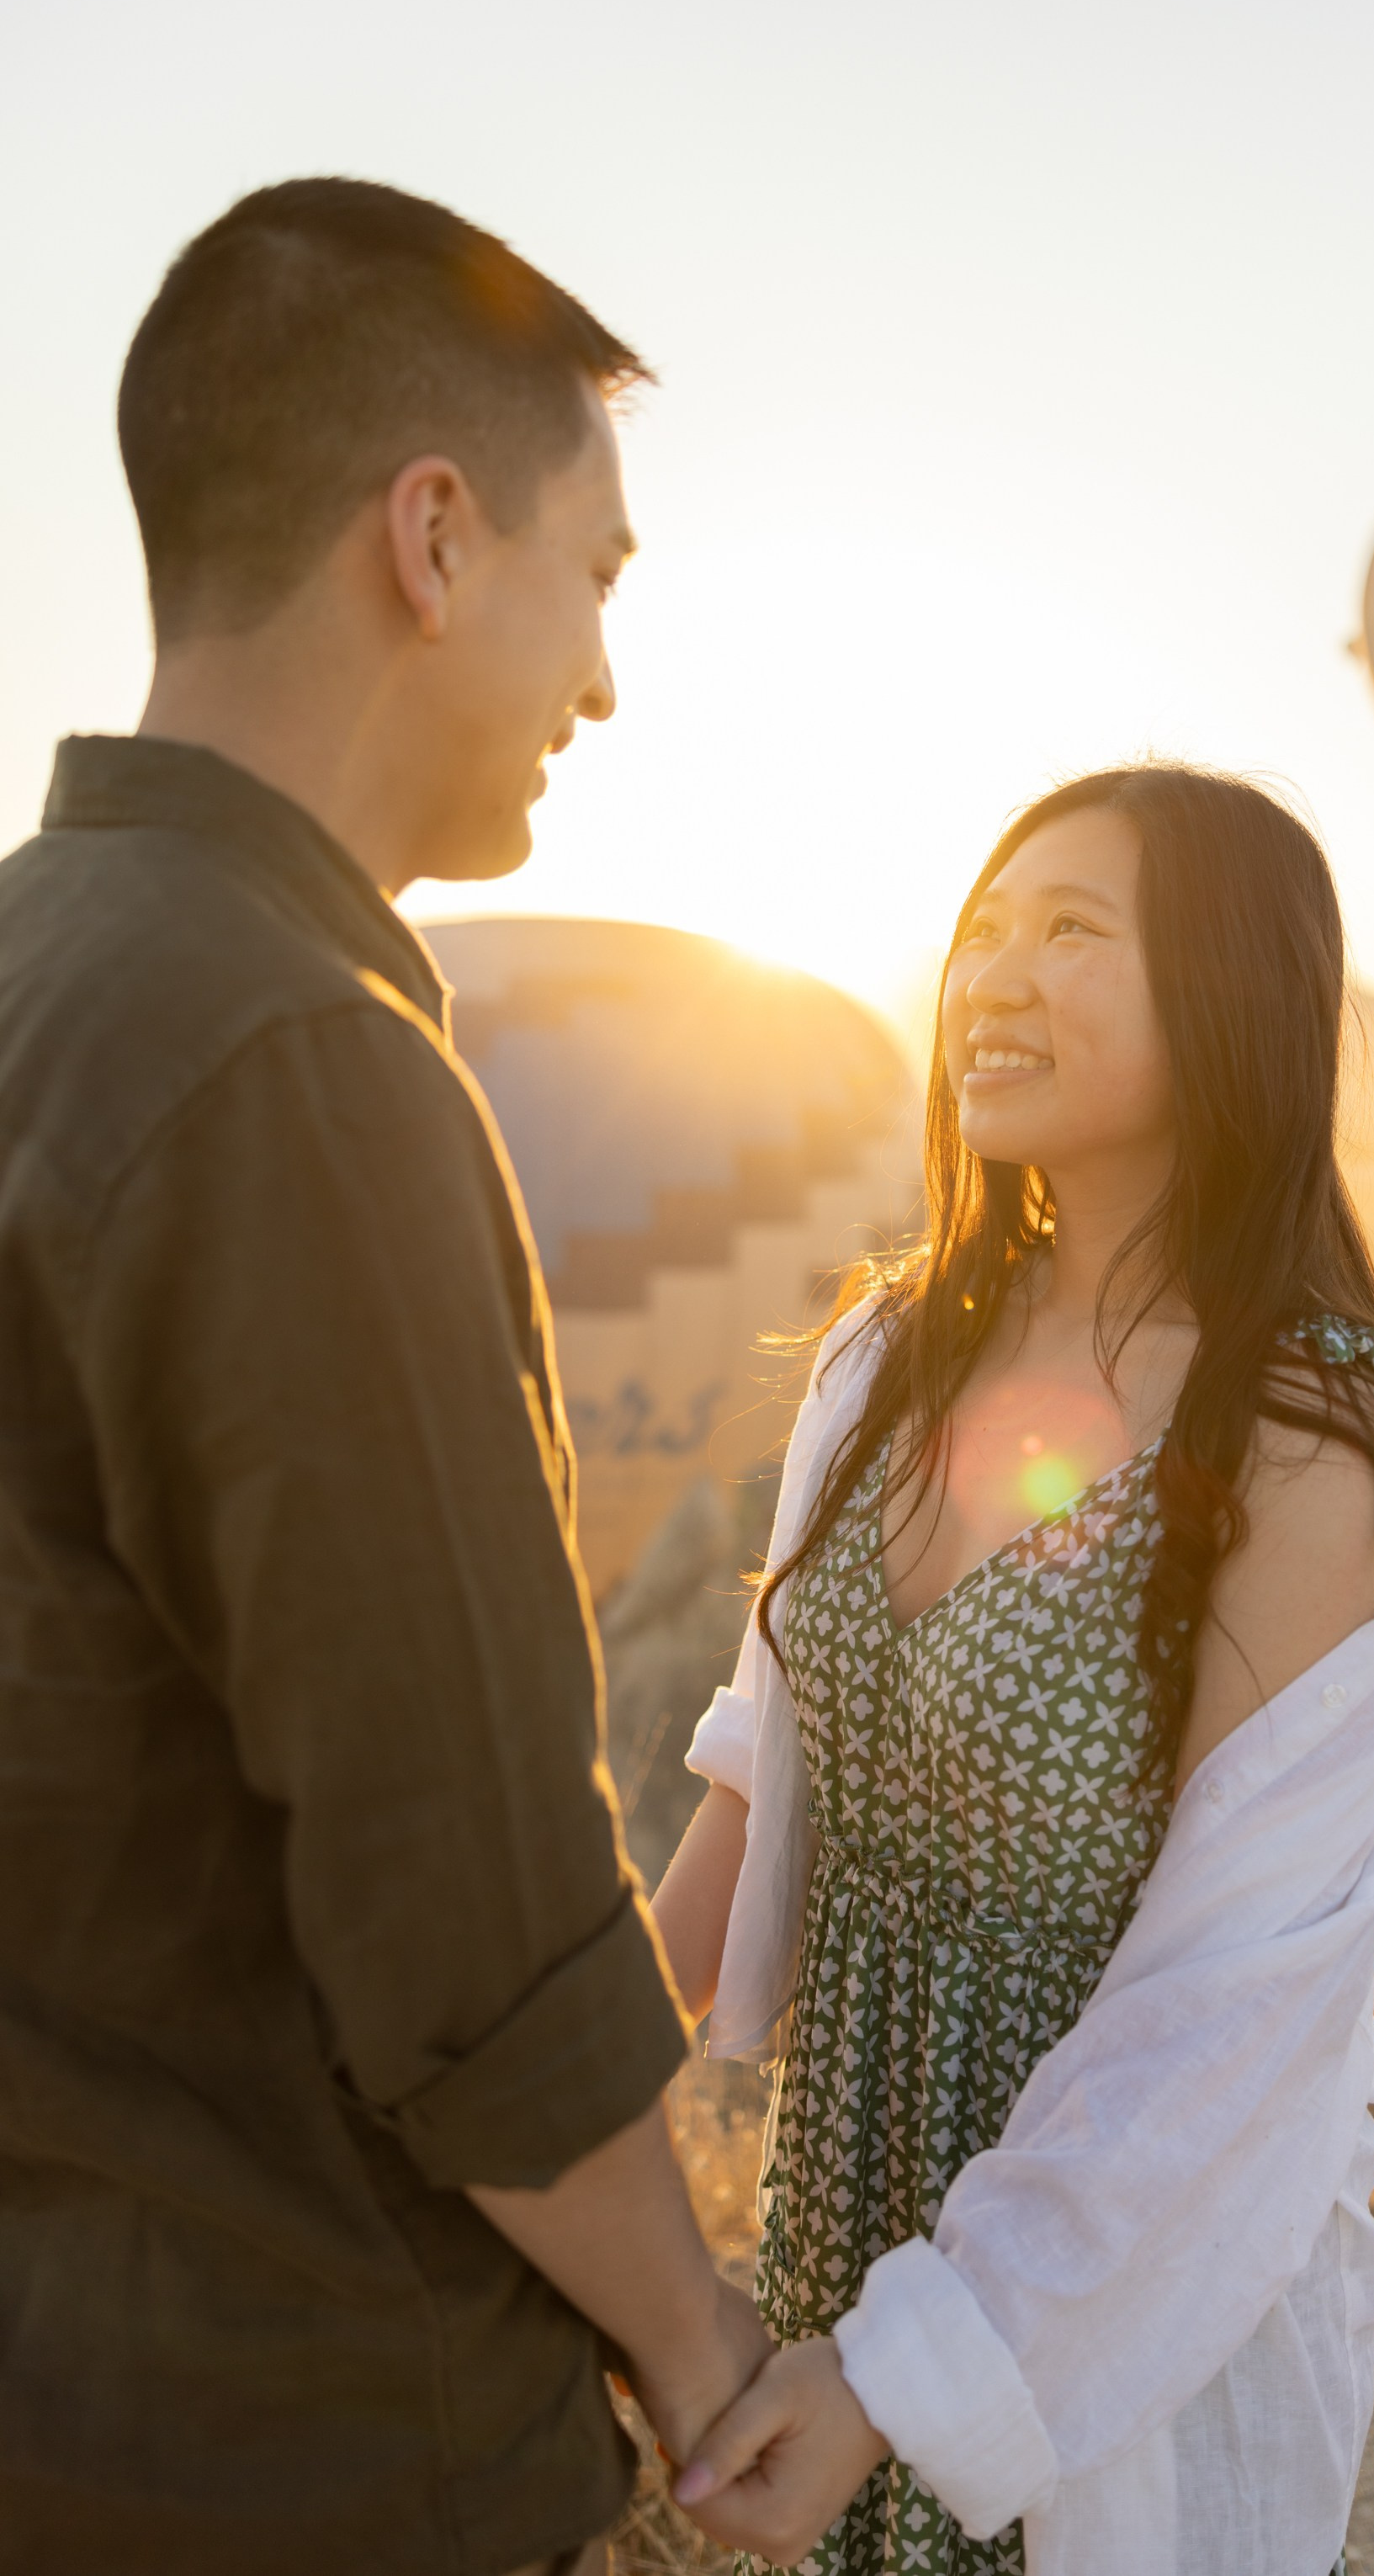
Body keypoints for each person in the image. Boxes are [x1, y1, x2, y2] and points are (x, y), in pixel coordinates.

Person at [0, 178, 771, 2576]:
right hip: (309, 2437)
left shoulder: (38, 969)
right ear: (433, 539)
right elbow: (475, 1924)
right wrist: (705, 2350)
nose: (611, 679)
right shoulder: (296, 1062)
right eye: (601, 575)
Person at [650, 764, 1374, 2576]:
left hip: (1120, 2276)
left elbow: (1238, 1998)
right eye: (982, 932)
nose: (994, 979)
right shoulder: (883, 1358)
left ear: (1225, 995)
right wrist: (562, 2119)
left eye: (1072, 932)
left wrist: (906, 2372)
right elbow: (761, 1761)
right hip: (846, 2208)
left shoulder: (1304, 1424)